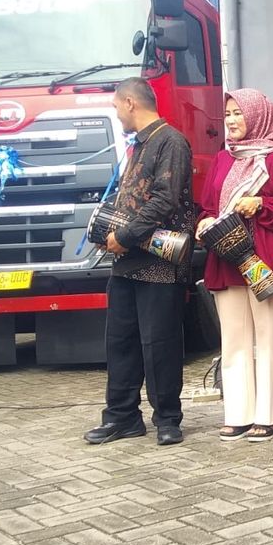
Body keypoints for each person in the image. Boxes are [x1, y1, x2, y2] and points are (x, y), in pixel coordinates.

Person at [84, 78, 195, 446]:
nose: (116, 115)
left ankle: (167, 418)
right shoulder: (139, 146)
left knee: (159, 342)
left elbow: (165, 201)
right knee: (120, 341)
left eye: (116, 107)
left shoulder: (171, 141)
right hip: (127, 262)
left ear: (130, 103)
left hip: (160, 264)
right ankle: (122, 416)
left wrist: (125, 236)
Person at [198, 88, 273, 442]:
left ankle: (270, 414)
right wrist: (204, 222)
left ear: (257, 115)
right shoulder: (222, 160)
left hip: (263, 258)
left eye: (238, 113)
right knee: (233, 339)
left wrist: (260, 204)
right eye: (227, 114)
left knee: (267, 338)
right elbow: (209, 206)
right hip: (226, 258)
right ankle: (238, 413)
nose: (231, 121)